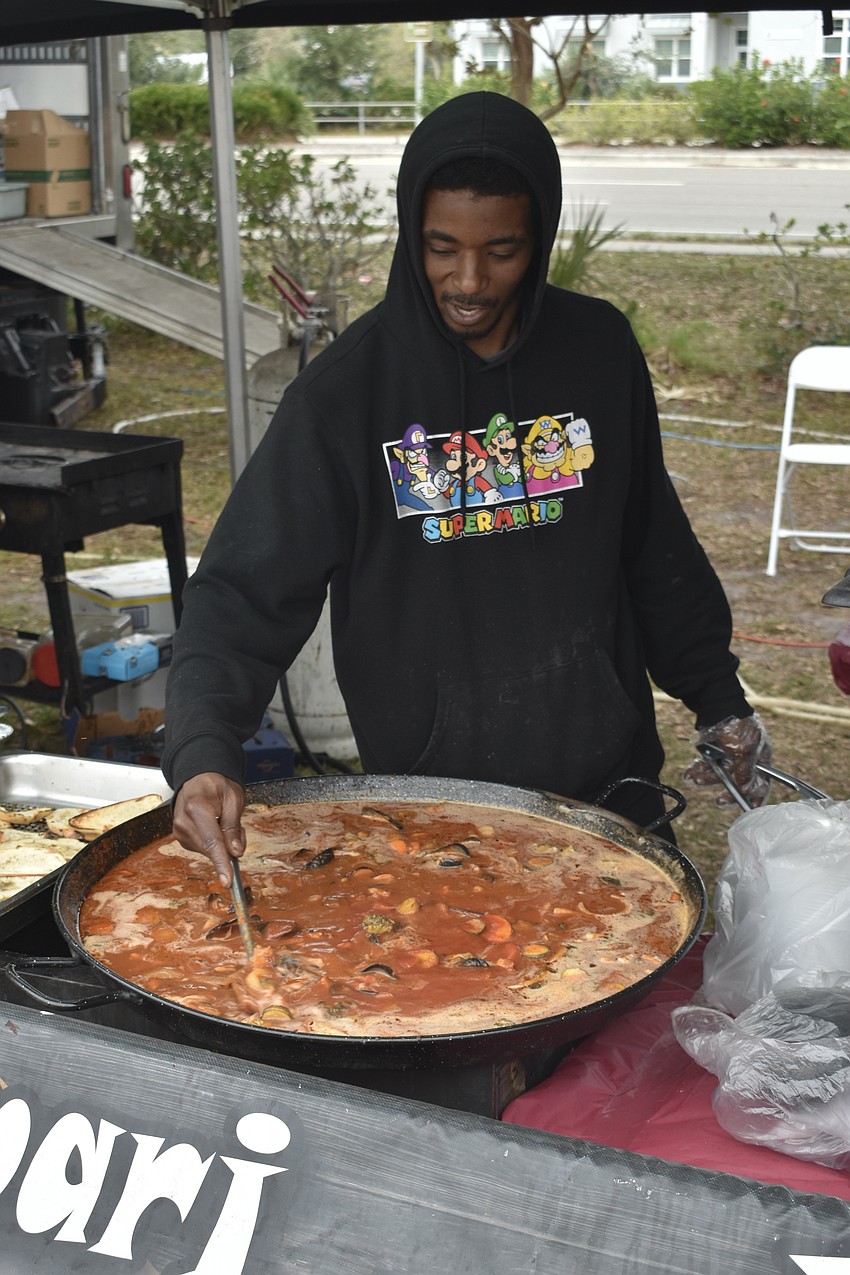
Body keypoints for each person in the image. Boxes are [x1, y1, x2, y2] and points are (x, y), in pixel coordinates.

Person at [162, 91, 770, 886]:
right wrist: (204, 748)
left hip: (611, 786)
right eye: (442, 247)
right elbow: (244, 590)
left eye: (503, 250)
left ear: (541, 236)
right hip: (435, 806)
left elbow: (653, 542)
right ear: (413, 234)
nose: (470, 279)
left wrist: (717, 694)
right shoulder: (347, 395)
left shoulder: (598, 350)